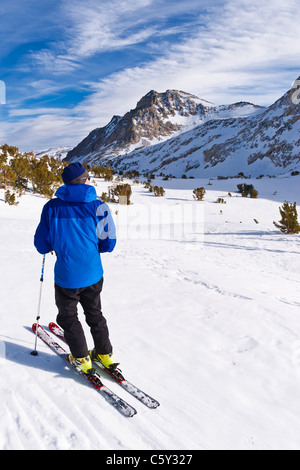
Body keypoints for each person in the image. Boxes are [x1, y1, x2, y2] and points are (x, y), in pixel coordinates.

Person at [34, 162, 117, 374]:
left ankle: (81, 357)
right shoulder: (99, 206)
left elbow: (41, 244)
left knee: (68, 317)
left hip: (67, 276)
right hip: (93, 273)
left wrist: (54, 245)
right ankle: (104, 353)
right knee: (94, 313)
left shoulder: (52, 207)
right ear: (86, 180)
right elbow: (108, 244)